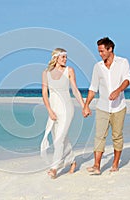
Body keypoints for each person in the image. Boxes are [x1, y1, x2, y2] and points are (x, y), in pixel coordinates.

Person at [83, 37, 130, 175]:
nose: (100, 54)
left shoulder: (123, 62)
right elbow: (93, 88)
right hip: (103, 107)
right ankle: (97, 165)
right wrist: (86, 105)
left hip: (119, 107)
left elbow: (127, 80)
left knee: (117, 136)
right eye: (98, 51)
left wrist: (118, 91)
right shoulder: (97, 67)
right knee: (99, 136)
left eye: (102, 51)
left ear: (110, 49)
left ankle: (115, 163)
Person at [40, 48, 85, 179]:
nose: (65, 59)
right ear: (56, 58)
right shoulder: (46, 73)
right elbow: (44, 93)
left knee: (59, 139)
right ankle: (72, 160)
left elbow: (75, 91)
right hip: (53, 109)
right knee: (59, 138)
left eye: (66, 57)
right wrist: (49, 110)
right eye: (63, 57)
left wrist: (84, 106)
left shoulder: (69, 70)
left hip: (67, 109)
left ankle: (54, 168)